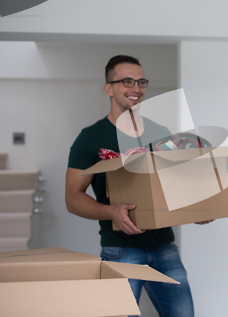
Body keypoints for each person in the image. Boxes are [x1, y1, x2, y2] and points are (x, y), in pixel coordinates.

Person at [65, 55, 195, 317]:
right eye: (127, 81)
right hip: (120, 249)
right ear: (109, 88)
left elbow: (173, 184)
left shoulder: (160, 132)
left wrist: (196, 208)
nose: (136, 88)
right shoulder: (91, 137)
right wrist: (111, 212)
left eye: (141, 81)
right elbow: (73, 198)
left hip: (164, 247)